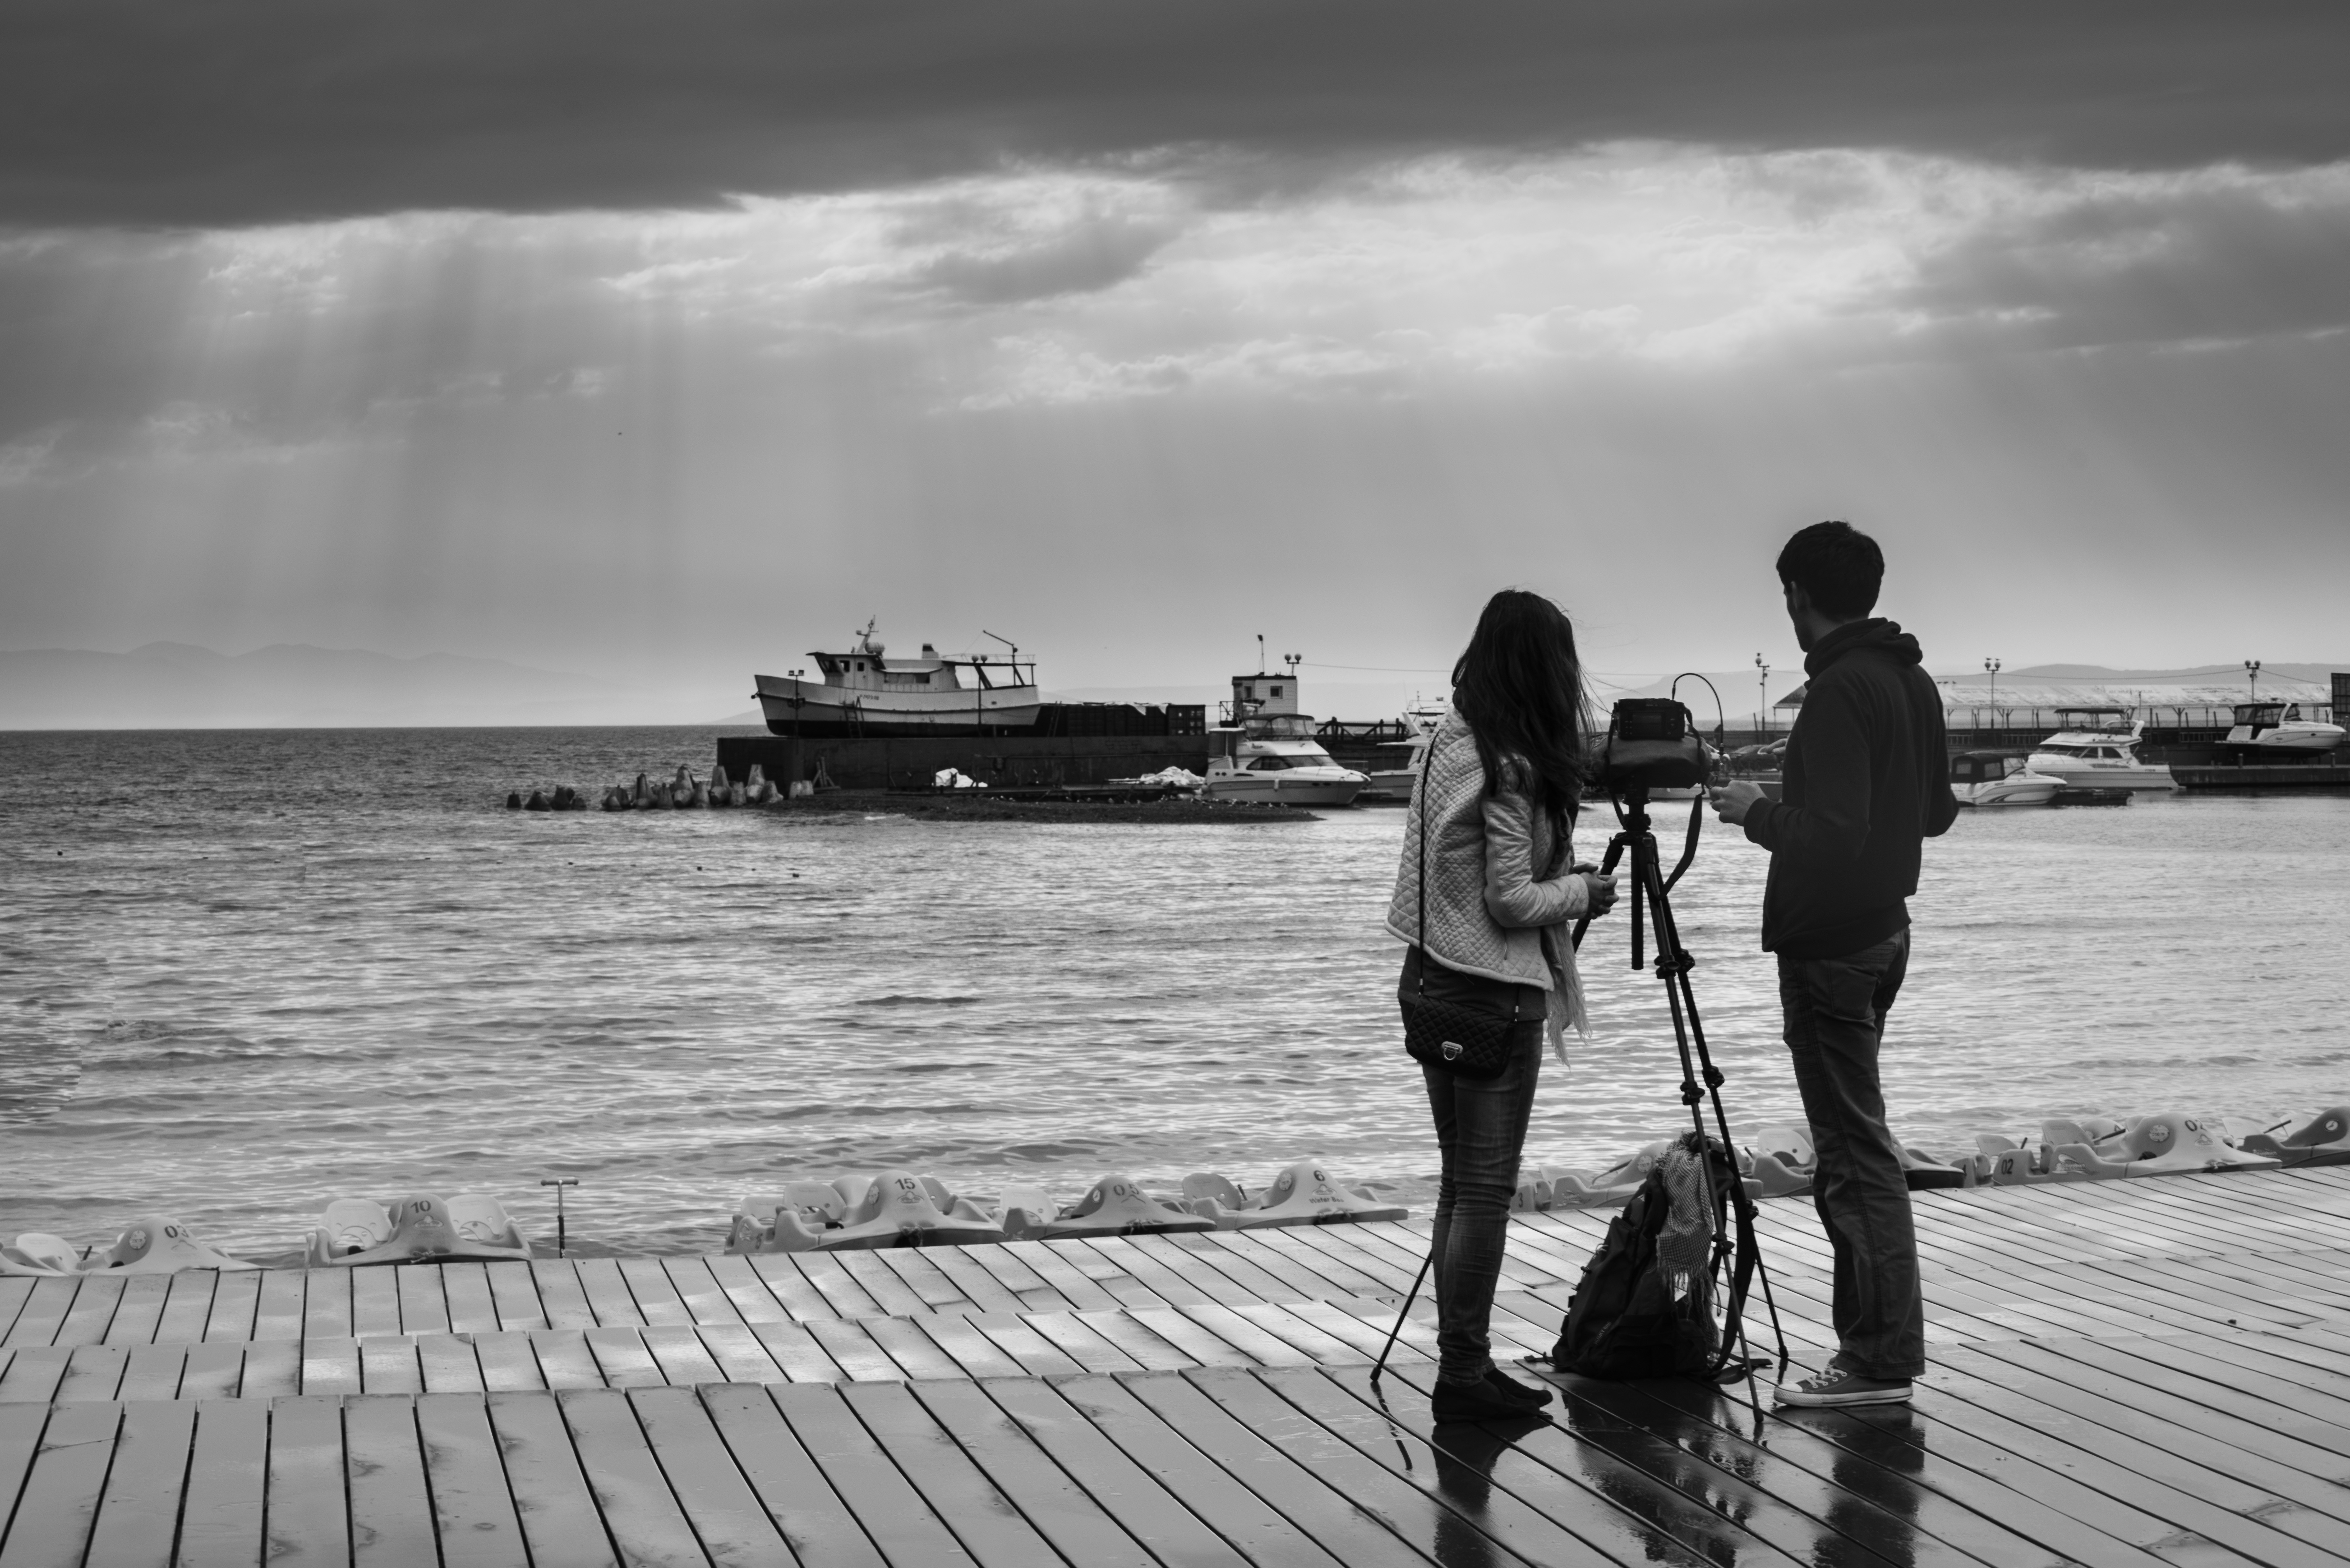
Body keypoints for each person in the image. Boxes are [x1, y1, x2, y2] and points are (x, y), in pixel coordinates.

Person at [1708, 521, 1958, 1408]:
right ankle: (1875, 1351)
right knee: (1860, 1146)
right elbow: (1936, 816)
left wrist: (1754, 812)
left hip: (1832, 948)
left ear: (1796, 596)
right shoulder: (1908, 678)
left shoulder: (1841, 691)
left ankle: (1879, 1360)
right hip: (1885, 932)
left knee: (1855, 1156)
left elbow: (1837, 834)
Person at [1388, 589, 1617, 1423]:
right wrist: (1583, 891)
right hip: (1490, 998)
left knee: (1460, 1187)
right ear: (1545, 669)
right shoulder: (1514, 763)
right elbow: (1513, 901)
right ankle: (1465, 1372)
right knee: (1484, 1192)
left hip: (1430, 983)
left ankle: (1463, 1362)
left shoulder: (1451, 740)